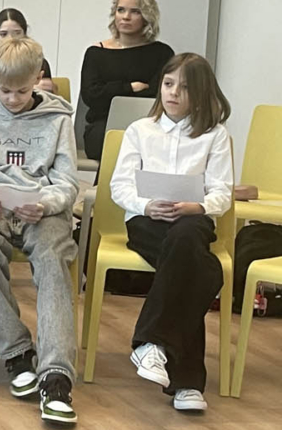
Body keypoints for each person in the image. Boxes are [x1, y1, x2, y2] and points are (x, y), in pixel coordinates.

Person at [0, 37, 81, 425]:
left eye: (22, 91)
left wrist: (44, 204)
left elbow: (67, 184)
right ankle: (18, 352)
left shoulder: (58, 120)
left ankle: (56, 376)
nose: (12, 99)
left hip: (43, 211)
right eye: (5, 90)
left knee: (52, 259)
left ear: (38, 78)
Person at [111, 53, 233, 412]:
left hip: (193, 220)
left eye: (184, 87)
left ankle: (151, 344)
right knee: (202, 269)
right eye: (168, 84)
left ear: (201, 92)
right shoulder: (140, 130)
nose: (174, 93)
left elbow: (222, 192)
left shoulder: (215, 135)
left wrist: (197, 206)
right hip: (146, 220)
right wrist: (146, 205)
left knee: (186, 243)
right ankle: (188, 383)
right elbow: (119, 186)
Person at [80, 0, 174, 160]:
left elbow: (158, 95)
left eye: (135, 12)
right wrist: (130, 88)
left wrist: (110, 92)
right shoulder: (95, 53)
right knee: (114, 143)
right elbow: (91, 95)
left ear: (146, 16)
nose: (126, 17)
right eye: (121, 10)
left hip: (148, 123)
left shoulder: (162, 53)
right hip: (103, 125)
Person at [0, 8, 56, 95]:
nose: (10, 39)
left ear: (25, 34)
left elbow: (44, 97)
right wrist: (29, 87)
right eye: (3, 34)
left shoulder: (39, 62)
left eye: (17, 33)